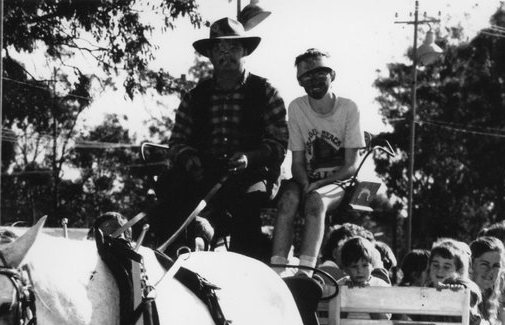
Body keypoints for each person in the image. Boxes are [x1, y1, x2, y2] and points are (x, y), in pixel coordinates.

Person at [153, 17, 288, 261]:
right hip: (206, 171)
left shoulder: (266, 91)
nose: (226, 54)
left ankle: (245, 271)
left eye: (233, 47)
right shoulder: (194, 97)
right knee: (167, 193)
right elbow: (177, 142)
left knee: (247, 205)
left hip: (254, 173)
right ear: (210, 55)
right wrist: (188, 157)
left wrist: (250, 157)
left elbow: (278, 144)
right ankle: (171, 262)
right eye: (219, 48)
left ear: (245, 51)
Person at [269, 49, 364, 277]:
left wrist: (320, 185)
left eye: (319, 73)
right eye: (306, 76)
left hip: (340, 179)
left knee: (315, 202)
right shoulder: (297, 108)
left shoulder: (348, 108)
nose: (313, 81)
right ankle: (278, 267)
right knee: (288, 199)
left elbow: (351, 165)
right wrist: (304, 182)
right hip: (308, 178)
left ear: (332, 75)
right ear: (300, 82)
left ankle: (305, 270)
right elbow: (298, 162)